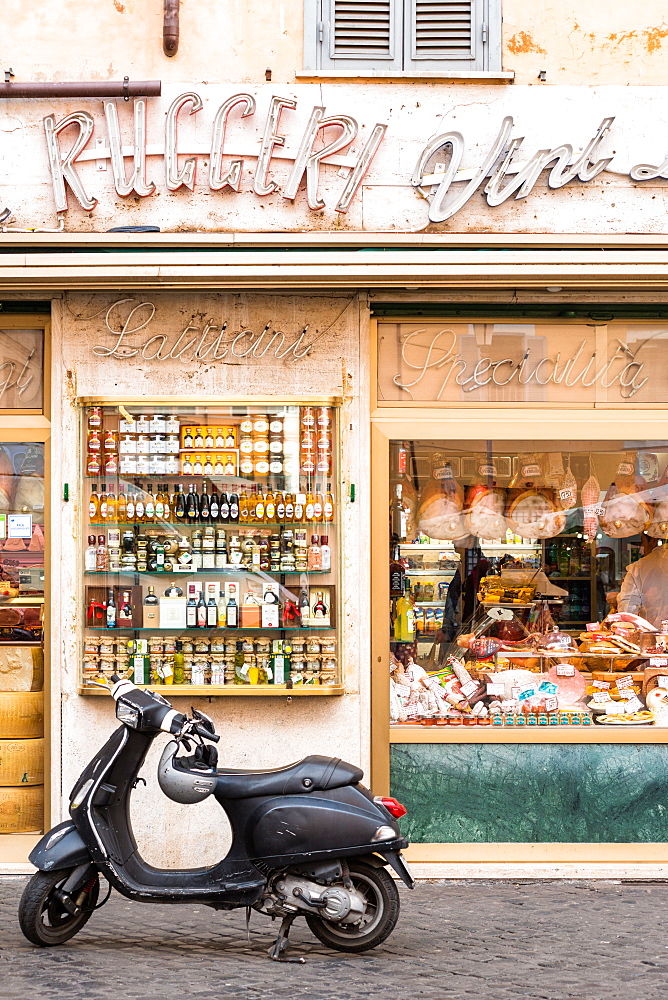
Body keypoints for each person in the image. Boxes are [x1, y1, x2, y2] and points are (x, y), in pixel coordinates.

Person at [618, 542, 668, 628]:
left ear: (653, 539)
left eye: (642, 541)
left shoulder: (638, 568)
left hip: (651, 637)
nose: (642, 547)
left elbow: (627, 612)